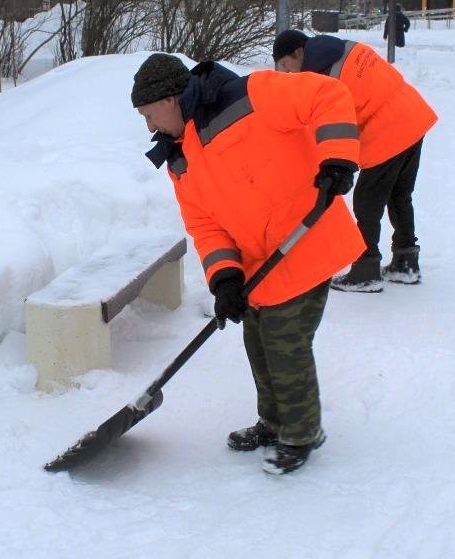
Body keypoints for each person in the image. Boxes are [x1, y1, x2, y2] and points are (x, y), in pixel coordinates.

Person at [131, 52, 364, 475]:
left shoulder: (249, 94)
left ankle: (302, 432)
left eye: (149, 114)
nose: (149, 127)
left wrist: (337, 156)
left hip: (306, 240)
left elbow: (327, 94)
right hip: (260, 265)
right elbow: (205, 225)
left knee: (284, 341)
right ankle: (274, 422)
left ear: (170, 98)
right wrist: (224, 279)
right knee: (257, 342)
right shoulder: (178, 157)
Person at [272, 30, 437, 291]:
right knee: (399, 195)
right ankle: (406, 262)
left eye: (285, 64)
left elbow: (336, 125)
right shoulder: (343, 48)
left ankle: (366, 270)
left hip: (388, 130)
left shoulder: (323, 77)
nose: (286, 72)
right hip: (412, 115)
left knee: (366, 202)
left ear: (299, 53)